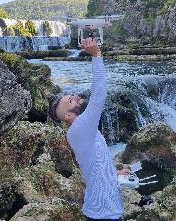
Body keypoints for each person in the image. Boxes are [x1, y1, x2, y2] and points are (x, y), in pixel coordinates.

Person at [48, 37, 129, 221]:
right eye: (70, 101)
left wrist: (116, 174)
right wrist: (96, 55)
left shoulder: (85, 131)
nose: (76, 97)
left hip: (106, 210)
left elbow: (95, 168)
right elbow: (99, 95)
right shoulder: (78, 130)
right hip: (102, 214)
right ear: (68, 116)